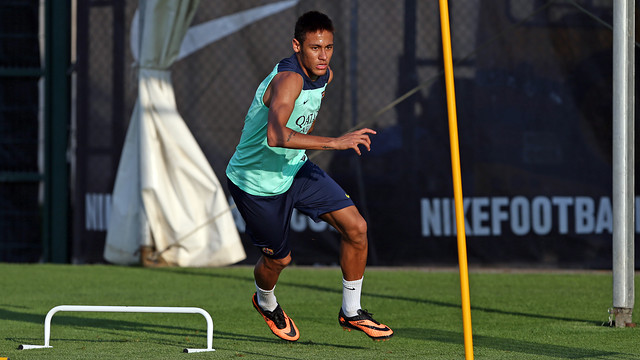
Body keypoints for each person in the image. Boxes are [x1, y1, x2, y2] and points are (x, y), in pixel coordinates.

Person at [226, 10, 393, 342]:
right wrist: (335, 142)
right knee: (280, 259)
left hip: (294, 168)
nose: (323, 55)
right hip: (256, 182)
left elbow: (305, 119)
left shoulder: (325, 75)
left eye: (328, 47)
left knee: (357, 228)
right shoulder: (289, 79)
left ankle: (351, 312)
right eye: (315, 47)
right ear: (297, 46)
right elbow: (275, 136)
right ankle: (265, 301)